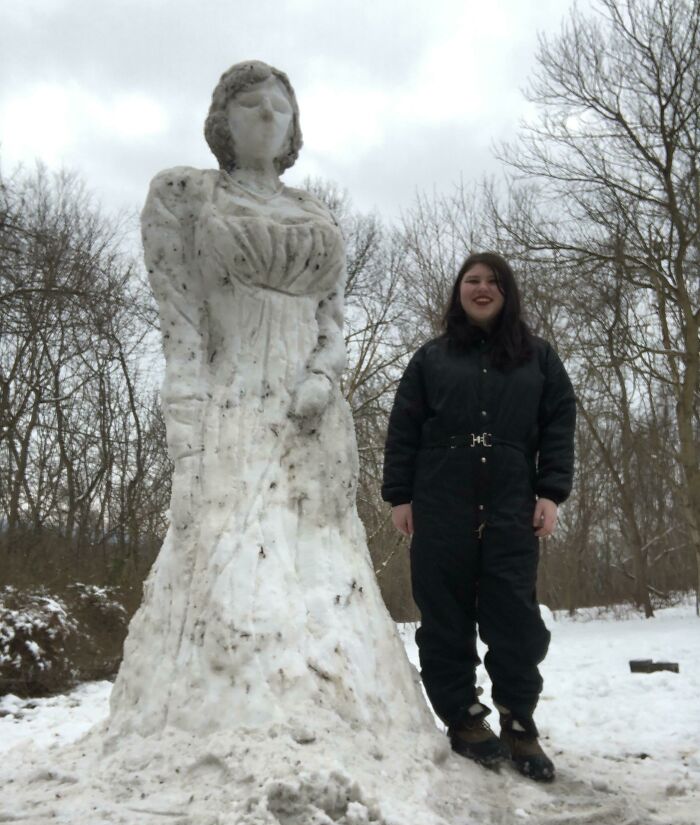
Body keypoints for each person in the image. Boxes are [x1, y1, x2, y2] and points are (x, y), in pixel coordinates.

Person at [109, 60, 429, 737]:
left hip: (313, 411)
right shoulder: (189, 197)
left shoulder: (314, 210)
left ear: (294, 126)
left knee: (322, 564)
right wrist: (186, 424)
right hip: (235, 401)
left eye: (280, 106)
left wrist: (324, 376)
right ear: (221, 121)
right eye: (250, 104)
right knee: (234, 557)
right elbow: (182, 326)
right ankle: (226, 726)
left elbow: (334, 319)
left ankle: (349, 720)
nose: (266, 115)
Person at [382, 253, 576, 781]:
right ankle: (465, 717)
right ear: (458, 292)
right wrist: (401, 496)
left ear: (507, 292)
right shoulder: (431, 359)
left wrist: (551, 493)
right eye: (472, 280)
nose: (482, 288)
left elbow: (559, 426)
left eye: (493, 281)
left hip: (512, 503)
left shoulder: (539, 359)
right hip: (440, 501)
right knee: (443, 614)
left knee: (515, 616)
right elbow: (404, 429)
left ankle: (519, 721)